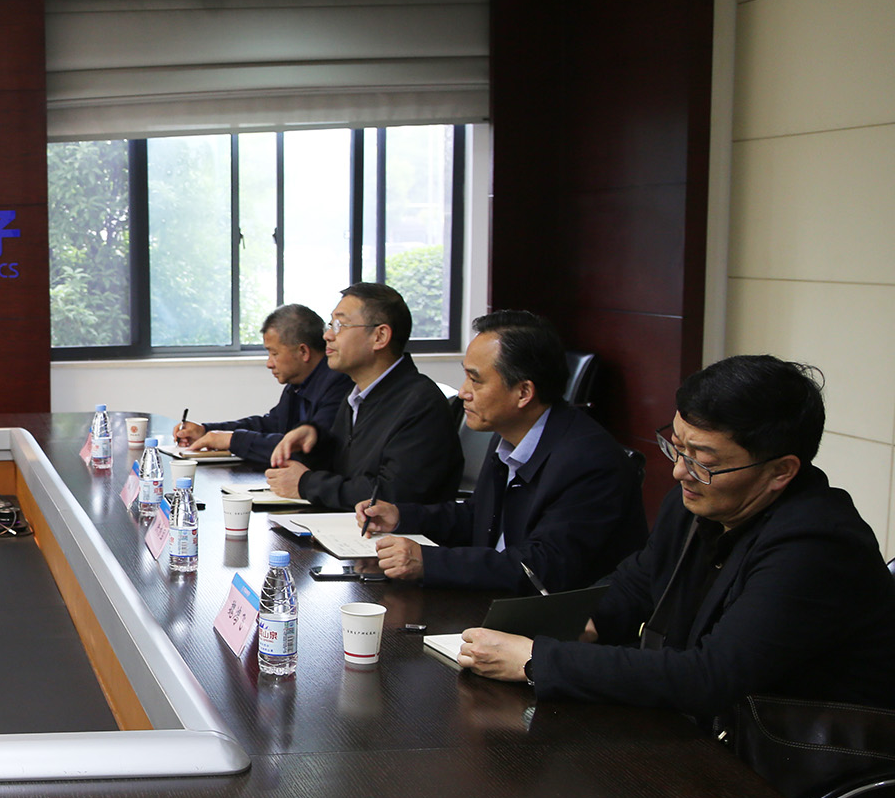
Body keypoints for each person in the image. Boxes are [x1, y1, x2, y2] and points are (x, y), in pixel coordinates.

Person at [457, 356, 895, 717]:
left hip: (793, 763)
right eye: (677, 447)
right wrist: (582, 624)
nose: (679, 471)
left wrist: (536, 660)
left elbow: (712, 677)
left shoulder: (817, 546)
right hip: (709, 735)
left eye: (703, 460)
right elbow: (635, 584)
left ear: (781, 471)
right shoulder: (698, 502)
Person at [354, 311, 646, 591]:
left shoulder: (588, 461)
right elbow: (481, 517)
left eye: (476, 380)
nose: (463, 392)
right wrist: (401, 517)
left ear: (523, 393)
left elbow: (542, 568)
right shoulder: (509, 435)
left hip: (552, 616)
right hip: (496, 596)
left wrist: (429, 562)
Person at [266, 282, 462, 508]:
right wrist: (314, 439)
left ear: (380, 336)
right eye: (330, 325)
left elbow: (391, 497)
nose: (327, 335)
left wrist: (306, 484)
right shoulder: (356, 396)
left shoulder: (420, 403)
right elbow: (347, 470)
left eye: (340, 325)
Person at [172, 303, 348, 461]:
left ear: (303, 352)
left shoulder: (339, 383)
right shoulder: (297, 384)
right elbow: (270, 426)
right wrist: (206, 431)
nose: (269, 363)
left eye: (274, 353)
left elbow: (306, 449)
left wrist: (233, 440)